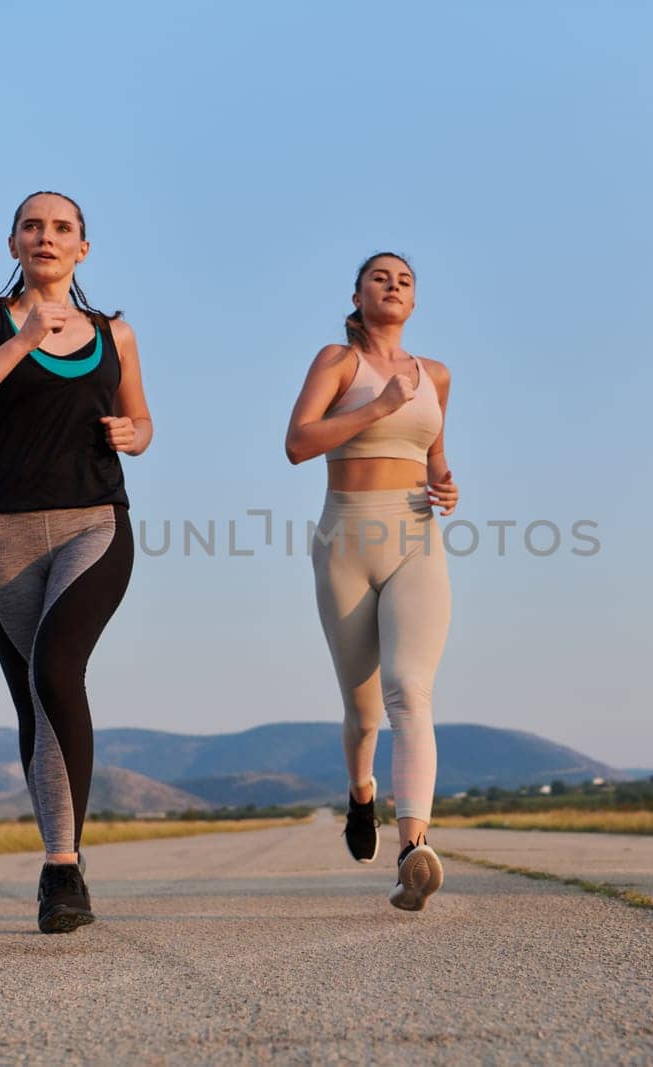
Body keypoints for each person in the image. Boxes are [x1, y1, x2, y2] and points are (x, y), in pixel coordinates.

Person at [0, 191, 152, 934]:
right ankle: (67, 860)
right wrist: (21, 341)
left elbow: (143, 421)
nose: (46, 236)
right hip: (5, 532)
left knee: (56, 667)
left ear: (83, 248)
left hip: (94, 521)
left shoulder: (116, 331)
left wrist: (132, 432)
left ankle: (60, 867)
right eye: (33, 226)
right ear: (13, 241)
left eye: (62, 228)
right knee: (34, 696)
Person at [284, 252, 459, 911]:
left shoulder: (435, 375)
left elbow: (436, 455)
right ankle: (361, 794)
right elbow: (298, 443)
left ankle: (413, 848)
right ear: (357, 294)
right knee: (362, 711)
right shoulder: (337, 360)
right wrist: (378, 405)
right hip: (345, 539)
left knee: (408, 690)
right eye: (380, 277)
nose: (393, 285)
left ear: (414, 302)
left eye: (406, 280)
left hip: (415, 535)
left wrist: (446, 484)